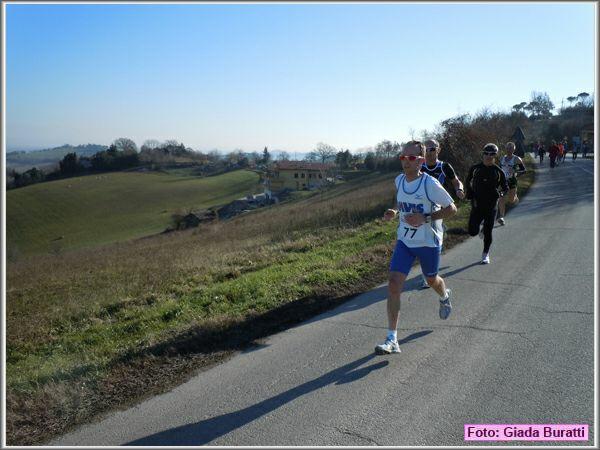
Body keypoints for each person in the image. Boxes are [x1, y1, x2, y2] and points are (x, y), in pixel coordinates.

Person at [375, 141, 457, 354]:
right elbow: (401, 201)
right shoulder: (399, 180)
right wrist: (394, 211)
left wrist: (426, 217)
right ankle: (392, 339)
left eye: (411, 158)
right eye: (403, 157)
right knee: (394, 283)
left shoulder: (429, 184)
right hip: (405, 241)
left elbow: (452, 208)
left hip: (428, 242)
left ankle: (444, 295)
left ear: (421, 161)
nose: (406, 162)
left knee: (431, 280)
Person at [417, 138, 465, 289]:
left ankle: (429, 274)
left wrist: (459, 189)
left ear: (438, 150)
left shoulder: (444, 166)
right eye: (427, 149)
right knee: (423, 240)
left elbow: (456, 181)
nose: (429, 152)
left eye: (432, 149)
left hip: (439, 208)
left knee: (430, 240)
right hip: (423, 207)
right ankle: (428, 274)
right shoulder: (420, 166)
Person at [465, 143, 509, 264]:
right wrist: (469, 193)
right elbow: (468, 181)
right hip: (477, 205)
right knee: (472, 232)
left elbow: (505, 187)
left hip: (491, 206)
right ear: (483, 154)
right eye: (486, 153)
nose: (489, 156)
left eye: (492, 154)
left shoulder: (498, 171)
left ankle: (485, 254)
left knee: (489, 231)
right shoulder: (475, 168)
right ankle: (481, 230)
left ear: (496, 155)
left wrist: (500, 194)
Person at [497, 142, 526, 225]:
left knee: (511, 200)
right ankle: (501, 217)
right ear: (505, 149)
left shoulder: (517, 159)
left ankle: (515, 198)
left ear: (514, 149)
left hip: (512, 181)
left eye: (511, 148)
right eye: (508, 148)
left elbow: (524, 170)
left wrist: (515, 171)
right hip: (503, 182)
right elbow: (499, 169)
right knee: (501, 197)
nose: (509, 150)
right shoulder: (502, 158)